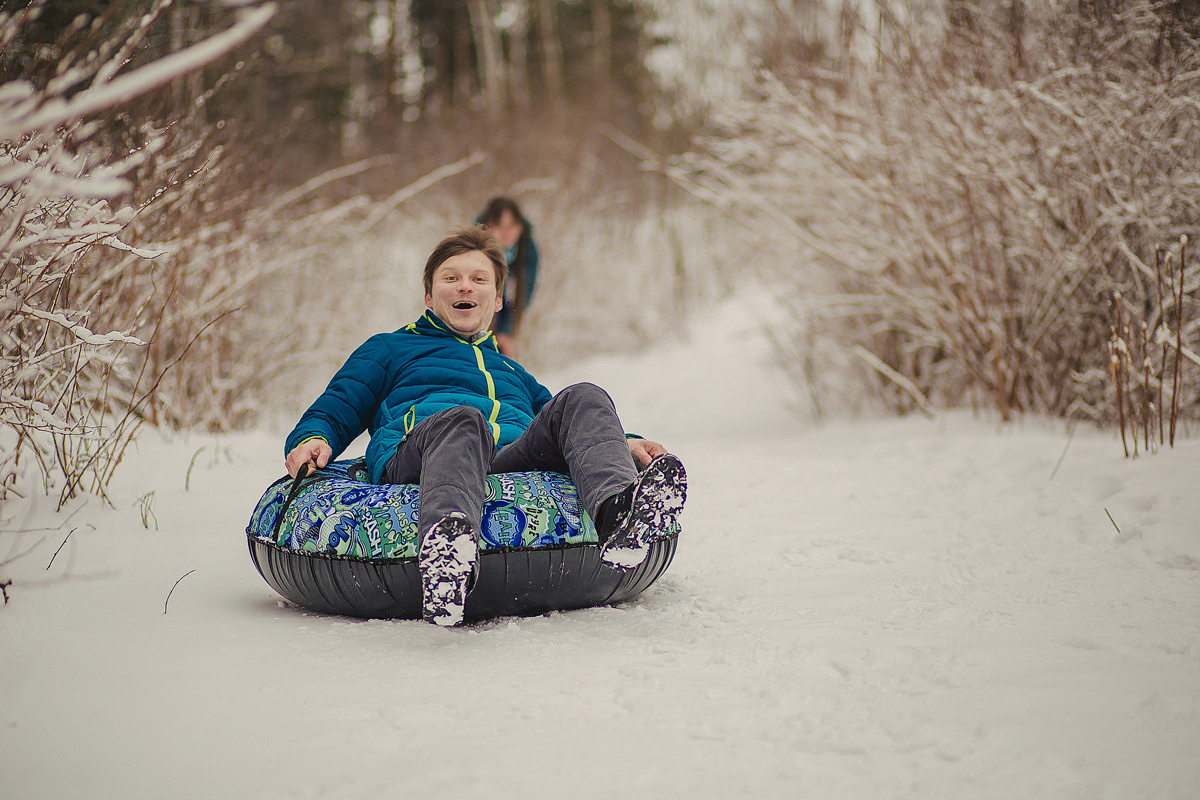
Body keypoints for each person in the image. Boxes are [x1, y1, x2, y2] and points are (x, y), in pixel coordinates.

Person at [284, 225, 686, 627]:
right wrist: (314, 437)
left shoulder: (511, 369)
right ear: (428, 295)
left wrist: (627, 442)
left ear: (496, 301)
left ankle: (621, 519)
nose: (465, 287)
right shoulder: (389, 348)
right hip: (425, 453)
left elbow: (569, 422)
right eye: (451, 278)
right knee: (465, 419)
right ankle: (446, 559)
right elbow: (339, 402)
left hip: (509, 458)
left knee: (584, 394)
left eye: (479, 280)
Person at [477, 197, 538, 357]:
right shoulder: (473, 251)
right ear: (487, 227)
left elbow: (524, 294)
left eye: (512, 225)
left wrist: (506, 331)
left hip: (503, 308)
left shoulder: (527, 250)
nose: (507, 233)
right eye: (499, 225)